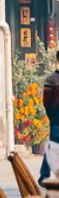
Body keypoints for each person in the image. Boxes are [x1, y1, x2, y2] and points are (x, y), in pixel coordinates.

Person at [40, 51, 59, 182]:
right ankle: (44, 174)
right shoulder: (51, 79)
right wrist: (52, 116)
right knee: (53, 148)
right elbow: (46, 102)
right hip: (57, 120)